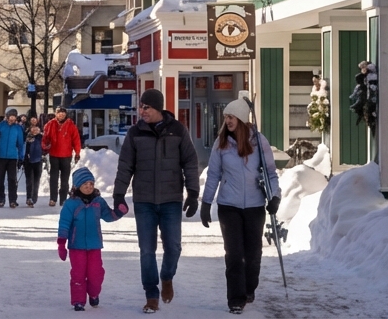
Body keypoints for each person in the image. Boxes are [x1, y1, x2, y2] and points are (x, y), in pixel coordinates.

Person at [112, 88, 200, 314]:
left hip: (171, 199)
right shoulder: (135, 133)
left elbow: (190, 162)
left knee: (173, 247)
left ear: (158, 108)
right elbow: (125, 166)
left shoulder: (178, 130)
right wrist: (119, 194)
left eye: (146, 107)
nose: (142, 111)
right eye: (141, 106)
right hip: (144, 201)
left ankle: (167, 276)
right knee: (147, 250)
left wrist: (192, 192)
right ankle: (151, 294)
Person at [200, 99, 281, 315]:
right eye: (226, 117)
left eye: (231, 117)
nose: (227, 121)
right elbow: (213, 174)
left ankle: (249, 288)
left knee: (253, 254)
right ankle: (235, 298)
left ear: (242, 119)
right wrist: (206, 202)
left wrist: (274, 197)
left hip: (255, 206)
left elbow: (270, 173)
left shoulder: (259, 143)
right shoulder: (221, 143)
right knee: (234, 254)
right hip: (229, 206)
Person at [57, 167, 123, 311]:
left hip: (94, 245)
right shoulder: (71, 204)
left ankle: (94, 294)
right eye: (85, 184)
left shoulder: (98, 202)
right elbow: (64, 224)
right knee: (78, 274)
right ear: (77, 186)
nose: (89, 187)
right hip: (76, 246)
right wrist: (61, 243)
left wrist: (119, 212)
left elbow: (108, 216)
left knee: (96, 273)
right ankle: (78, 301)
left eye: (91, 184)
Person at [43, 107, 82, 207]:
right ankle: (53, 199)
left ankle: (63, 199)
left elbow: (76, 140)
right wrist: (44, 147)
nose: (61, 115)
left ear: (65, 114)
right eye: (59, 113)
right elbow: (45, 138)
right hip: (54, 155)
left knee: (65, 179)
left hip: (66, 155)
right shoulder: (50, 124)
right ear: (56, 114)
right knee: (53, 178)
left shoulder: (71, 125)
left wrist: (77, 153)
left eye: (63, 113)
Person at [0, 109, 26, 208]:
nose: (13, 118)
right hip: (0, 157)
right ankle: (1, 199)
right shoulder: (0, 126)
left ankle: (12, 200)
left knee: (12, 179)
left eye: (14, 116)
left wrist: (21, 157)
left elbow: (21, 144)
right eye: (11, 116)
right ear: (7, 116)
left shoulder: (18, 128)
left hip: (13, 157)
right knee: (0, 180)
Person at [23, 123, 45, 208]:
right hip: (28, 161)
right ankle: (29, 198)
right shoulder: (26, 138)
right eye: (33, 129)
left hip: (38, 161)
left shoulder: (42, 137)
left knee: (36, 181)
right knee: (29, 181)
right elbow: (23, 149)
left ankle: (34, 198)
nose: (35, 130)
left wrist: (44, 155)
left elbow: (46, 147)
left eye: (37, 129)